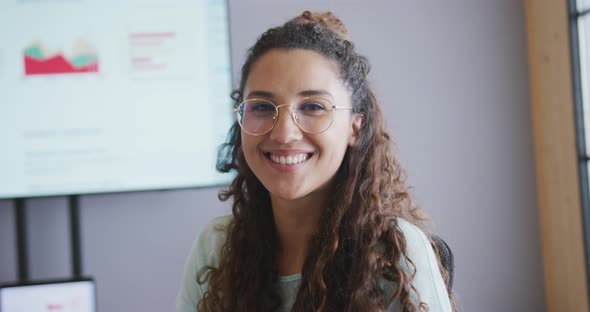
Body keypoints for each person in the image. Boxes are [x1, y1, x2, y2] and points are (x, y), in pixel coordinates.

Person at [176, 11, 456, 312]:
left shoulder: (397, 252)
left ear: (354, 127)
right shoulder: (216, 246)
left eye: (312, 106)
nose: (284, 133)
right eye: (261, 107)